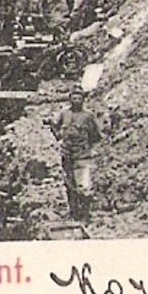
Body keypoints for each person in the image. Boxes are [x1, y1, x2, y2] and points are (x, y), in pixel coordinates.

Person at [57, 87, 101, 221]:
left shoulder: (88, 116)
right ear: (70, 99)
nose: (76, 101)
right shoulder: (64, 114)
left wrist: (86, 147)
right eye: (74, 98)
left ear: (83, 100)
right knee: (70, 186)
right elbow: (56, 128)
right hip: (67, 156)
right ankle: (73, 213)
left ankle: (85, 214)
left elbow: (96, 136)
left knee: (84, 186)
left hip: (82, 156)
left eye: (79, 98)